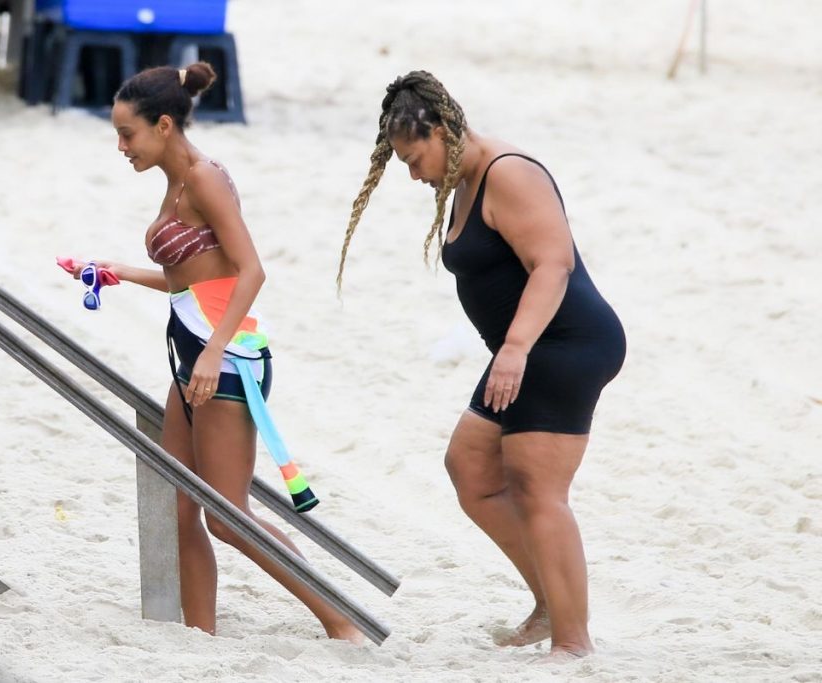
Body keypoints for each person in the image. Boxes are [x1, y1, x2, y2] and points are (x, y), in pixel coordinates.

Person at [69, 62, 361, 643]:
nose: (120, 146)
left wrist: (212, 353)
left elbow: (251, 271)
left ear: (165, 125)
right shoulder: (174, 182)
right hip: (192, 356)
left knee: (228, 517)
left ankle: (341, 620)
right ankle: (198, 638)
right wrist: (118, 273)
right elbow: (192, 279)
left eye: (128, 134)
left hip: (223, 361)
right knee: (183, 508)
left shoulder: (204, 178)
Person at [338, 70, 626, 658]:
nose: (414, 173)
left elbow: (554, 264)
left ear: (443, 130)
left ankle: (573, 641)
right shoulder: (464, 179)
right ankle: (551, 602)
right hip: (527, 347)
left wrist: (515, 350)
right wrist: (512, 350)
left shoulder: (508, 172)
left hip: (563, 342)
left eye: (415, 158)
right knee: (470, 466)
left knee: (536, 487)